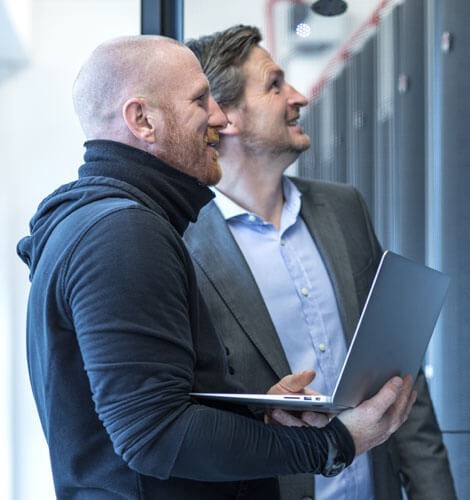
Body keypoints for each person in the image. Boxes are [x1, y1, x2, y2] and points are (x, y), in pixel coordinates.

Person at [17, 34, 417, 499]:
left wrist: (255, 417)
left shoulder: (95, 223)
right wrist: (334, 443)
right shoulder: (124, 233)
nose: (220, 118)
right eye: (199, 100)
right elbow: (156, 436)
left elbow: (150, 407)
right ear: (142, 120)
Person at [183, 25, 457, 500]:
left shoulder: (343, 208)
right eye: (275, 85)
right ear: (226, 117)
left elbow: (399, 375)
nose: (299, 97)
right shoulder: (185, 241)